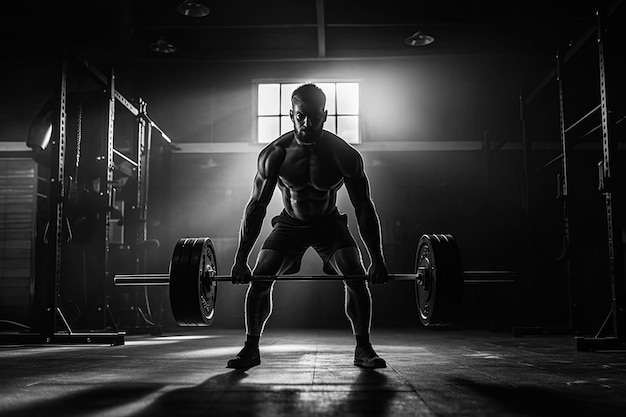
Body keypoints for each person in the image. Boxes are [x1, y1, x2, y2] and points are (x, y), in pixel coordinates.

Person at [228, 83, 388, 370]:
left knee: (356, 274)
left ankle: (363, 348)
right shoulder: (275, 154)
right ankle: (251, 348)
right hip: (291, 224)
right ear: (291, 114)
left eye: (314, 116)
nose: (307, 123)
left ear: (324, 115)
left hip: (329, 223)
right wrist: (241, 260)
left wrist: (378, 258)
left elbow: (364, 206)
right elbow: (256, 207)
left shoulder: (343, 155)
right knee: (261, 276)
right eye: (301, 116)